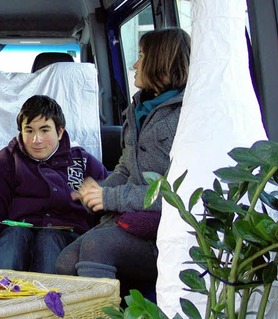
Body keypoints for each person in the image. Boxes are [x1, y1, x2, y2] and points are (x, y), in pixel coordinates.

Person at [56, 28, 191, 299]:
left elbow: (176, 194)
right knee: (65, 261)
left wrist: (111, 197)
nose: (135, 64)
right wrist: (97, 190)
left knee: (97, 244)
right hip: (130, 222)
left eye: (141, 55)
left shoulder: (184, 116)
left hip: (163, 234)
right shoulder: (138, 108)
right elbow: (127, 169)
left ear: (160, 62)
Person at [0, 95, 109, 274]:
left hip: (66, 232)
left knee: (49, 241)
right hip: (18, 227)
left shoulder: (82, 162)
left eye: (44, 130)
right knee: (12, 241)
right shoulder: (7, 159)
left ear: (59, 132)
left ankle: (49, 301)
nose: (36, 139)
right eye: (29, 131)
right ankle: (0, 300)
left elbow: (107, 199)